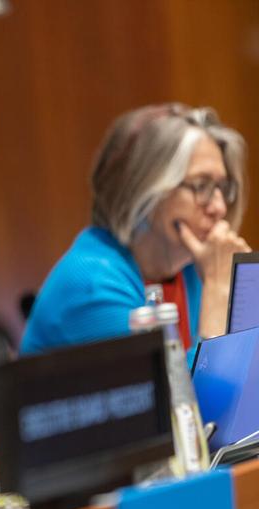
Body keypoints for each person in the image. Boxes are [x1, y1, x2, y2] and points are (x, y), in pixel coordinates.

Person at [20, 103, 250, 360]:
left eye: (222, 187)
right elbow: (183, 396)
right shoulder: (92, 286)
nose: (219, 207)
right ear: (144, 191)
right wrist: (220, 290)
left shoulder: (190, 267)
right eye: (201, 185)